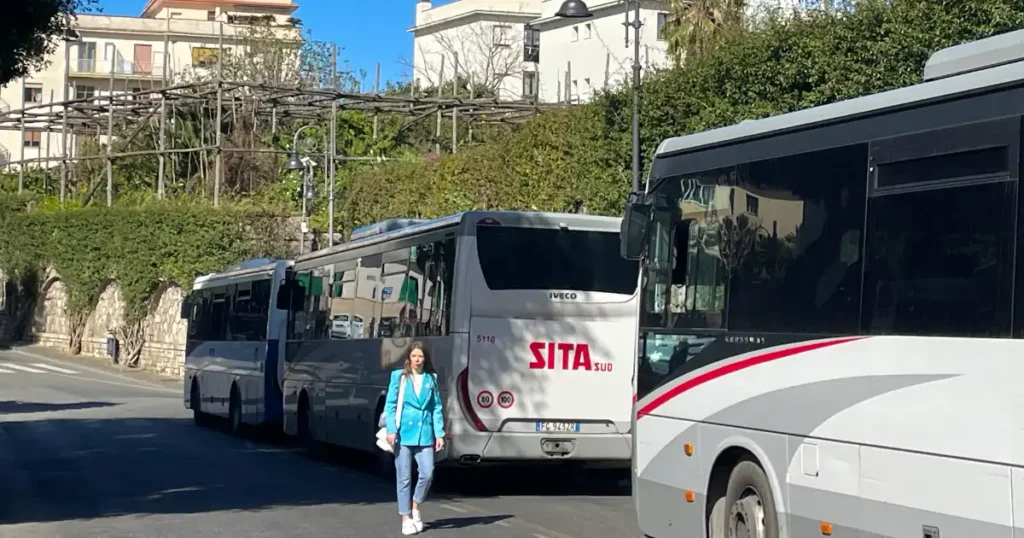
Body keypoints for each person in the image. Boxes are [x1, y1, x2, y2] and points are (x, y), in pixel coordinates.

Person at [384, 341, 445, 535]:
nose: (417, 360)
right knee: (404, 478)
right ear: (408, 358)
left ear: (425, 359)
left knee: (427, 472)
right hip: (403, 434)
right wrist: (391, 430)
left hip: (425, 434)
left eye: (421, 356)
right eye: (414, 356)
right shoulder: (399, 377)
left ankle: (415, 505)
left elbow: (436, 407)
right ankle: (405, 517)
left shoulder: (431, 379)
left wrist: (440, 433)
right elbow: (390, 405)